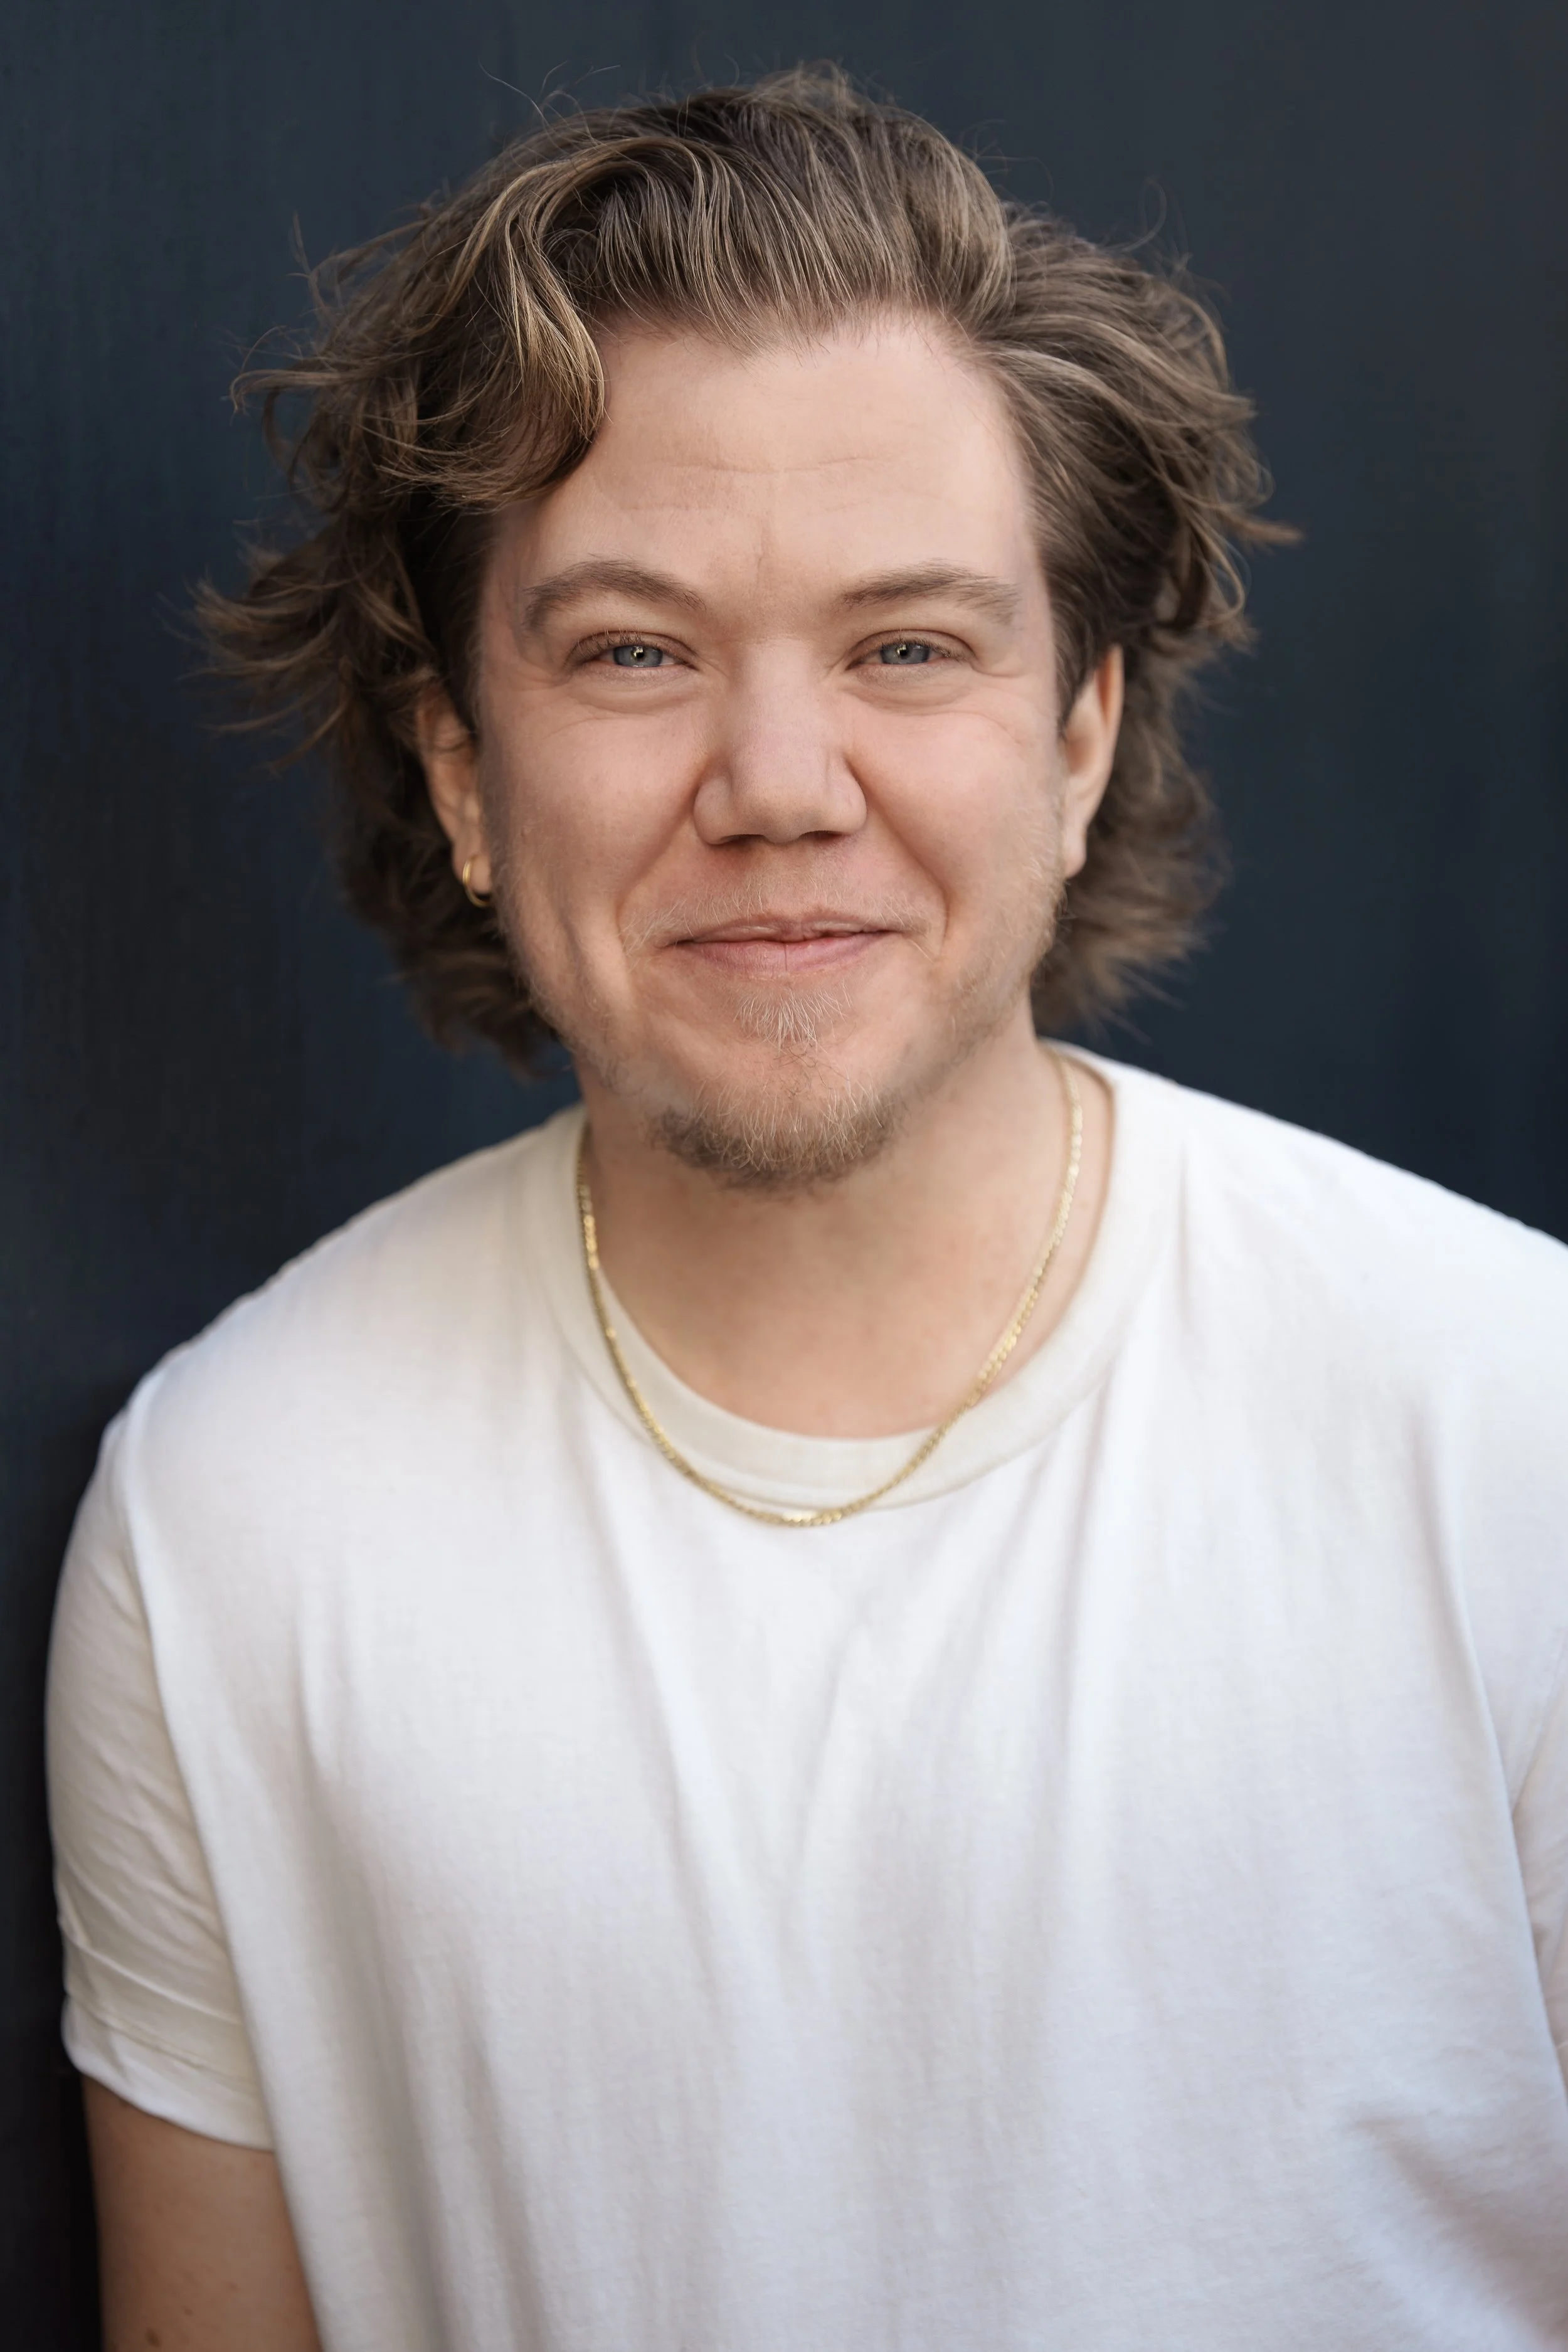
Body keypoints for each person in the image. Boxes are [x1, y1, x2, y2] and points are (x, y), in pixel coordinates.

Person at [45, 65, 1568, 2352]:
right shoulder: (223, 1523)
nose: (776, 785)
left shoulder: (1511, 1422)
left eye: (909, 645)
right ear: (462, 762)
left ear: (1076, 739)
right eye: (634, 649)